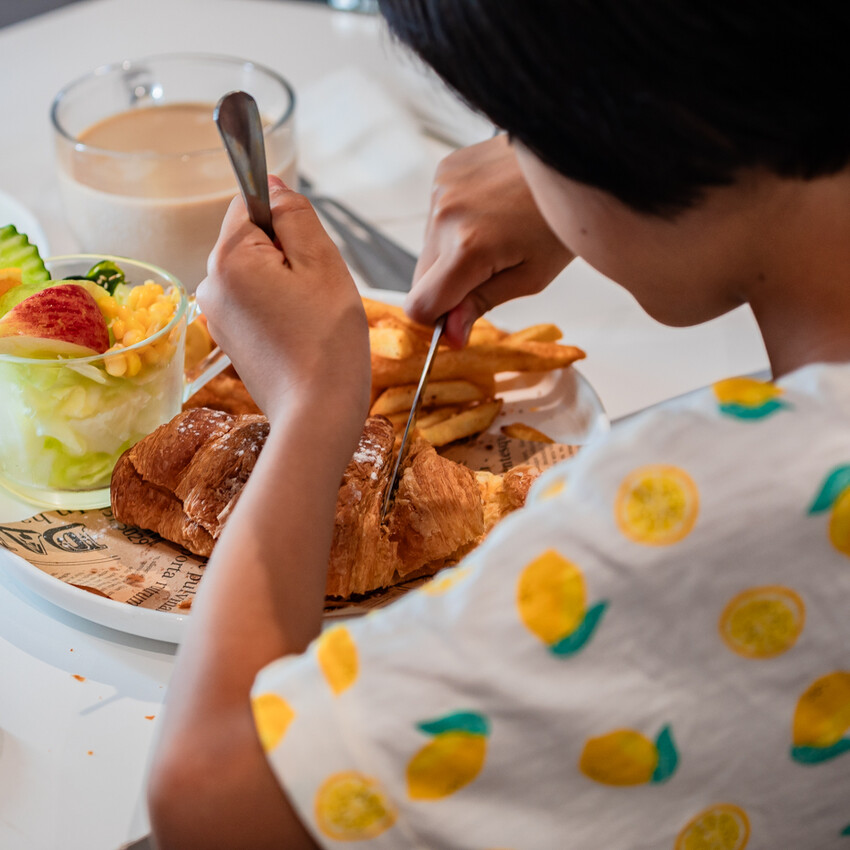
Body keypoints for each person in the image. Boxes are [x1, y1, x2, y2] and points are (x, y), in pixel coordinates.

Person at [147, 2, 850, 847]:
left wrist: (312, 403)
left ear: (649, 128)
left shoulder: (697, 513)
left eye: (520, 125)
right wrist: (586, 172)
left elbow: (209, 798)